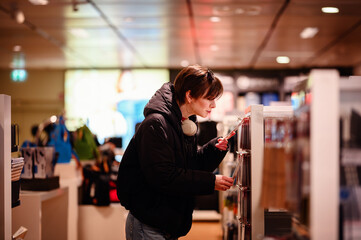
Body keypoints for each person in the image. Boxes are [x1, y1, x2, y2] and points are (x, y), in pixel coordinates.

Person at [116, 64, 235, 240]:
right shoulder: (156, 124)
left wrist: (213, 150)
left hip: (165, 223)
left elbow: (188, 165)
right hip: (149, 225)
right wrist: (211, 182)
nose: (214, 104)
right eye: (209, 98)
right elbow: (164, 176)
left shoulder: (184, 122)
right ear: (189, 96)